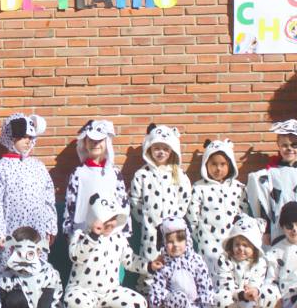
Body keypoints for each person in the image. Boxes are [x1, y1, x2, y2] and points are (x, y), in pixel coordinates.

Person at [63, 195, 148, 308]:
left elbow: (130, 261)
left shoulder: (118, 238)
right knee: (76, 302)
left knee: (139, 305)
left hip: (109, 292)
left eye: (114, 218)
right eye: (107, 219)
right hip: (83, 290)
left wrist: (150, 266)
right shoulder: (80, 235)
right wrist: (93, 236)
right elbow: (76, 256)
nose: (112, 223)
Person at [129, 124, 191, 296]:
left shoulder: (178, 174)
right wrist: (146, 219)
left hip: (173, 231)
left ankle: (172, 304)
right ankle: (149, 305)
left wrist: (175, 220)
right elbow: (135, 200)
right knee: (151, 264)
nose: (161, 152)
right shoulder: (142, 174)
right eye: (157, 148)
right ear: (149, 149)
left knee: (174, 265)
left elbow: (184, 198)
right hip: (150, 231)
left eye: (165, 149)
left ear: (172, 151)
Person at [0, 114, 56, 253]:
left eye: (31, 137)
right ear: (10, 137)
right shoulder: (0, 168)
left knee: (37, 263)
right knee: (12, 263)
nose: (28, 141)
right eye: (23, 137)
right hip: (12, 228)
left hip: (38, 228)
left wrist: (50, 227)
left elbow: (49, 198)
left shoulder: (38, 166)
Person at [0, 227, 72, 308]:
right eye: (19, 252)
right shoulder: (6, 277)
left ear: (38, 251)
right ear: (11, 250)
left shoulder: (48, 273)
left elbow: (44, 306)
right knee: (15, 299)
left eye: (30, 253)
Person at [247, 120, 297, 245]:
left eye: (295, 145)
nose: (289, 149)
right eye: (285, 145)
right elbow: (266, 206)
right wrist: (266, 232)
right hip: (280, 230)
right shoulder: (272, 174)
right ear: (278, 144)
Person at [148, 216, 216, 308]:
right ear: (163, 242)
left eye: (180, 240)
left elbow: (205, 287)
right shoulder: (164, 263)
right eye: (170, 241)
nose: (176, 245)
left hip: (192, 305)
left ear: (187, 239)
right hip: (171, 303)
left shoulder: (196, 261)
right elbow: (156, 292)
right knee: (179, 296)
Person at [212, 214, 280, 308]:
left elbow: (257, 282)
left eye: (246, 245)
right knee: (220, 296)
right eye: (237, 244)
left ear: (254, 247)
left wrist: (254, 290)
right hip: (231, 304)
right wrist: (242, 294)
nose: (241, 249)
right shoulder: (223, 259)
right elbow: (224, 284)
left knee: (272, 292)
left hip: (250, 305)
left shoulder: (260, 262)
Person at [188, 139, 248, 277]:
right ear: (206, 164)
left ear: (230, 165)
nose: (218, 169)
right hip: (208, 243)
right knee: (209, 275)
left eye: (223, 164)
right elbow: (193, 215)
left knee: (232, 274)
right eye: (214, 164)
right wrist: (200, 236)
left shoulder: (238, 187)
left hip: (233, 244)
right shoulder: (199, 187)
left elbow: (243, 214)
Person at [62, 119, 128, 238]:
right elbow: (71, 203)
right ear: (85, 143)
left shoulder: (114, 173)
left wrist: (124, 230)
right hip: (84, 233)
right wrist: (69, 231)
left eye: (99, 140)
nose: (95, 144)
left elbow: (123, 202)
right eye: (91, 140)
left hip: (110, 233)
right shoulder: (79, 172)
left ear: (107, 142)